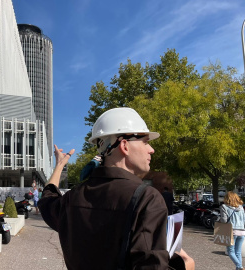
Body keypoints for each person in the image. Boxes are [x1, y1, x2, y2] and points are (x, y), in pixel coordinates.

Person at [38, 107, 194, 270]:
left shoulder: (72, 197)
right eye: (146, 142)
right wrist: (185, 266)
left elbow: (47, 199)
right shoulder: (147, 199)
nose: (151, 149)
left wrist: (60, 165)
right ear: (125, 146)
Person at [220, 191, 245, 270]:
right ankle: (239, 268)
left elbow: (224, 221)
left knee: (230, 252)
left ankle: (239, 266)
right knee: (238, 252)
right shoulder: (241, 208)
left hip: (231, 231)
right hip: (242, 232)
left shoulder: (224, 206)